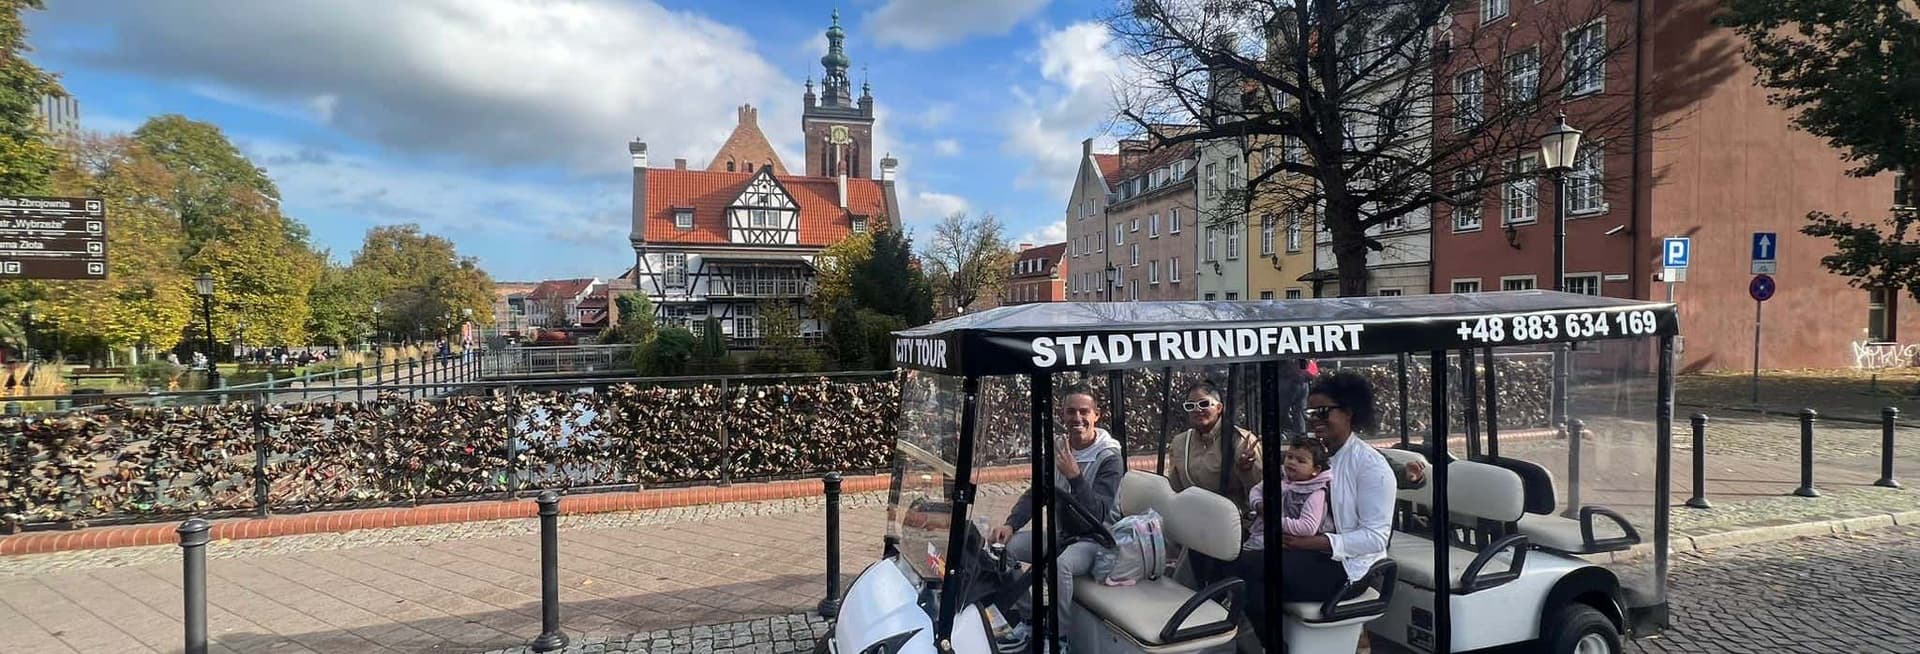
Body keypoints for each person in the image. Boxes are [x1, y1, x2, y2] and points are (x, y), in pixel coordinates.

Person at [1229, 370, 1397, 650]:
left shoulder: (1370, 467)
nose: (1315, 420)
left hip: (1346, 567)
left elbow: (1376, 538)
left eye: (1323, 412)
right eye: (1312, 413)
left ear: (1349, 413)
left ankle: (1270, 645)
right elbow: (1278, 487)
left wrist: (1314, 542)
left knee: (1248, 569)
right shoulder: (1315, 455)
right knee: (1229, 559)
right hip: (1304, 550)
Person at [989, 383, 1125, 654]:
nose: (1077, 418)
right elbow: (1037, 491)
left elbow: (1097, 515)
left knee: (1059, 564)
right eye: (1070, 411)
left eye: (1084, 411)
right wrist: (1011, 524)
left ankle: (1059, 637)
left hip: (1097, 542)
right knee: (1002, 550)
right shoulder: (1058, 448)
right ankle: (1029, 620)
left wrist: (1075, 477)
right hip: (1062, 535)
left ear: (1096, 415)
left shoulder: (1109, 457)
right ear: (1062, 415)